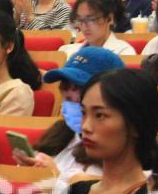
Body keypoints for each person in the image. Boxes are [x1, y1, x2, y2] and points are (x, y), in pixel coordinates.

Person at [53, 69, 158, 194]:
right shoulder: (74, 192)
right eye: (83, 113)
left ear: (135, 124)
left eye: (100, 115)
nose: (85, 126)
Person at [18, 47, 126, 182]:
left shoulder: (116, 151)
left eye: (79, 88)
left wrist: (55, 176)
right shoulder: (60, 134)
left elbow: (102, 191)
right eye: (65, 86)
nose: (69, 94)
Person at [59, 0, 135, 57]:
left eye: (91, 20)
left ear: (110, 18)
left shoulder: (124, 52)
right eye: (80, 20)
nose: (84, 27)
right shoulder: (68, 52)